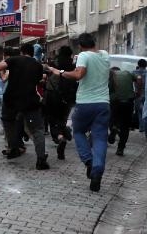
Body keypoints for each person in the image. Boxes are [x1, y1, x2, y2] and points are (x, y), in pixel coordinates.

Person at [46, 33, 110, 192]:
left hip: (85, 103)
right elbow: (96, 55)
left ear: (80, 46)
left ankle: (88, 161)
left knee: (79, 132)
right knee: (100, 137)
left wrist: (58, 71)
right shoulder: (105, 55)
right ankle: (97, 169)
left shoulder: (83, 55)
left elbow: (78, 74)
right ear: (94, 42)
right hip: (103, 103)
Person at [0, 43, 49, 170]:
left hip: (11, 99)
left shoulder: (14, 59)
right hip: (30, 100)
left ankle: (13, 149)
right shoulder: (38, 65)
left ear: (21, 52)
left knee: (8, 122)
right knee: (37, 129)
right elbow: (39, 81)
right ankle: (40, 159)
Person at [43, 45, 77, 160]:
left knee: (52, 119)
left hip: (52, 95)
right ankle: (64, 131)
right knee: (62, 118)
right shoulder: (73, 66)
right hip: (66, 97)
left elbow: (45, 72)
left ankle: (59, 137)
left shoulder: (54, 64)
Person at [107, 67, 136, 156]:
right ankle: (120, 148)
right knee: (125, 126)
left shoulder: (110, 75)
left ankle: (114, 127)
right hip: (128, 102)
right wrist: (138, 92)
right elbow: (139, 78)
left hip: (115, 102)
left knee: (112, 119)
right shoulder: (127, 73)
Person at [132, 59, 146, 132]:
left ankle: (141, 127)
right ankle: (143, 127)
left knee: (139, 111)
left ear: (138, 64)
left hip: (138, 94)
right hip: (145, 94)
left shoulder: (134, 72)